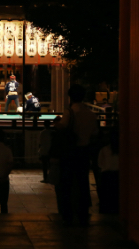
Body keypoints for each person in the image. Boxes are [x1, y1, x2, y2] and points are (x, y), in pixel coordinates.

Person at [55, 84, 98, 226]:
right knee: (82, 180)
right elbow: (94, 133)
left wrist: (56, 122)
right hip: (84, 151)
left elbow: (63, 126)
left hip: (70, 150)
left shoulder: (70, 112)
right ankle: (83, 209)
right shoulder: (90, 114)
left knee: (67, 181)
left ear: (71, 97)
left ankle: (67, 211)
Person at [98, 128, 119, 214]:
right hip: (118, 175)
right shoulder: (124, 150)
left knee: (107, 199)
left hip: (107, 176)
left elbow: (100, 163)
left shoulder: (104, 150)